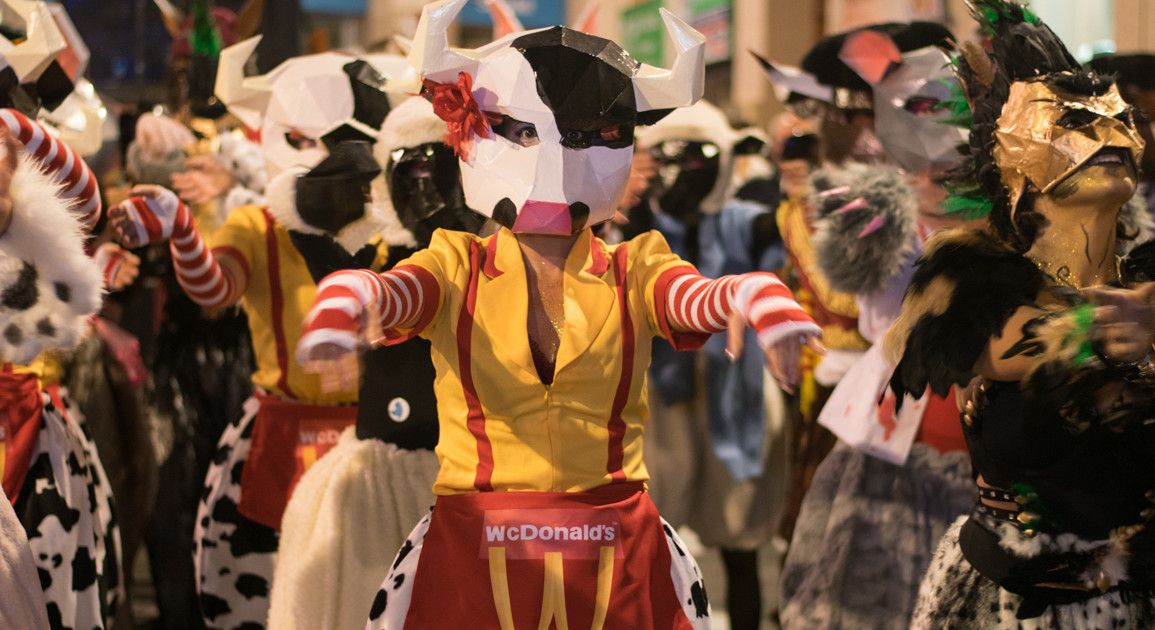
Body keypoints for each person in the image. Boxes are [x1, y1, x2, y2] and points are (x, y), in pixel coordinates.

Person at [295, 1, 820, 628]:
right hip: (474, 547)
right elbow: (397, 289)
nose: (548, 158)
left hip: (615, 553)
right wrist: (348, 295)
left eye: (584, 134)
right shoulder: (453, 262)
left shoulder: (636, 266)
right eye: (520, 131)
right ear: (472, 132)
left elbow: (696, 294)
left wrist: (752, 294)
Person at [109, 45, 400, 629]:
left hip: (379, 443)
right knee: (260, 603)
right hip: (279, 432)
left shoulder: (398, 224)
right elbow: (214, 292)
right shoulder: (256, 223)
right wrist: (183, 229)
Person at [887, 0, 1155, 625]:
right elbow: (1026, 352)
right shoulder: (974, 276)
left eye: (1112, 116)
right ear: (1013, 160)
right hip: (1015, 606)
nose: (1101, 134)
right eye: (1071, 122)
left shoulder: (1147, 273)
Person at [777, 29, 976, 630]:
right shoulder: (873, 212)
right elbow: (870, 306)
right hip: (893, 438)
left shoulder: (1018, 218)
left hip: (986, 445)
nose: (934, 178)